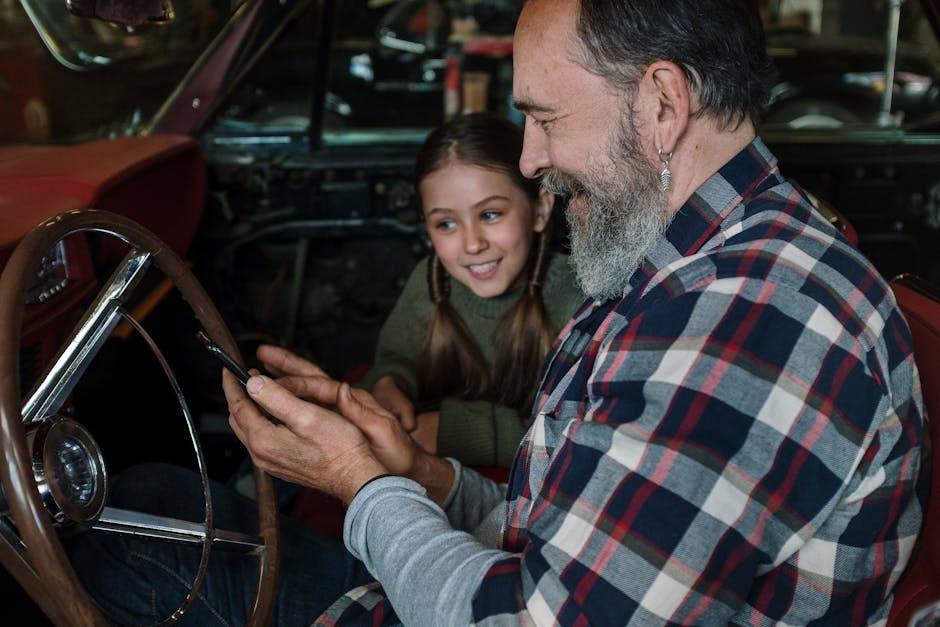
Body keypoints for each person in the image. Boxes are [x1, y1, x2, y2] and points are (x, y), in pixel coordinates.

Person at [72, 0, 925, 625]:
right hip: (454, 591)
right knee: (148, 501)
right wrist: (420, 472)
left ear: (662, 104)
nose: (530, 157)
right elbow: (566, 531)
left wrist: (363, 486)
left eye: (545, 118)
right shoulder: (688, 265)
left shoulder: (750, 321)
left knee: (118, 544)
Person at [359, 112, 583, 468]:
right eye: (446, 223)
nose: (473, 244)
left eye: (490, 215)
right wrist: (391, 382)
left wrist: (451, 431)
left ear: (540, 208)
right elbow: (397, 357)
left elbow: (578, 434)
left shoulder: (580, 300)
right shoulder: (430, 282)